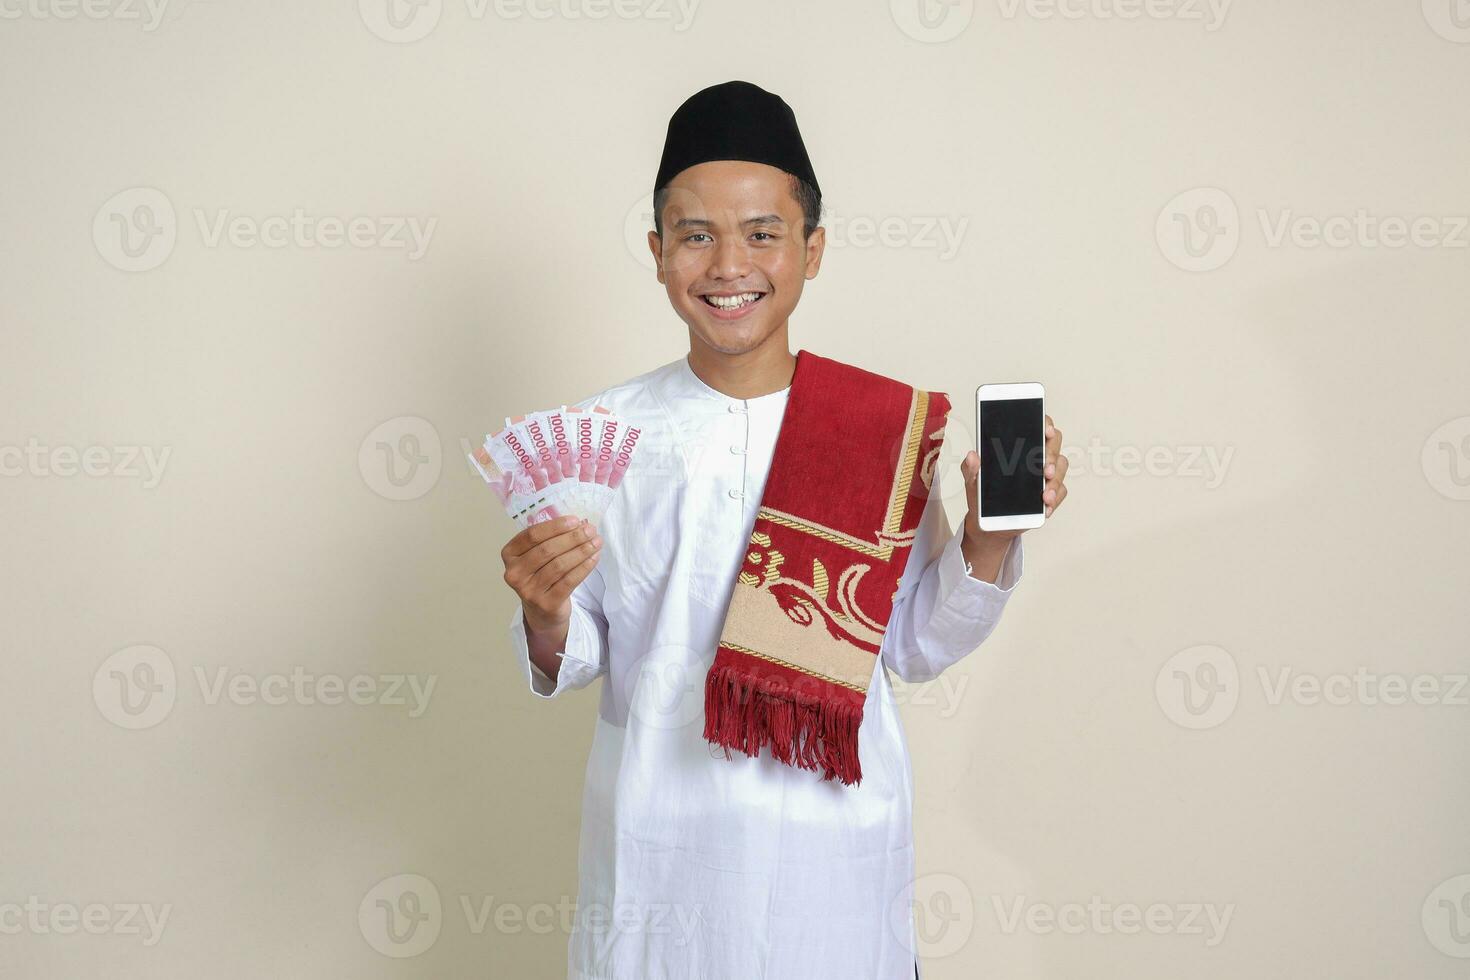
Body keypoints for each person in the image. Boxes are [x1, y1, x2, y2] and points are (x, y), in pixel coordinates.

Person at [500, 80, 1069, 980]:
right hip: (659, 864)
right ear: (656, 253)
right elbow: (580, 651)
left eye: (763, 234)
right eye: (696, 236)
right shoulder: (599, 440)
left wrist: (988, 541)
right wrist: (541, 615)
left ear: (812, 250)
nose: (730, 264)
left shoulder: (877, 428)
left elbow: (913, 645)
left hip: (833, 867)